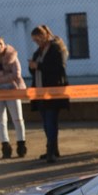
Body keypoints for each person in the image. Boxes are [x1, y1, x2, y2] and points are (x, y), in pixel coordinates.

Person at [28, 24, 69, 163]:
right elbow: (35, 71)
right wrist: (32, 67)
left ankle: (51, 151)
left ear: (45, 35)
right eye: (35, 40)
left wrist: (38, 66)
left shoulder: (56, 48)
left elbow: (59, 68)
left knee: (51, 122)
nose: (37, 42)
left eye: (38, 39)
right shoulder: (39, 51)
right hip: (40, 92)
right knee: (46, 123)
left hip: (53, 92)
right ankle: (53, 149)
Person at [0, 36, 27, 159]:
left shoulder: (12, 56)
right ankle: (5, 146)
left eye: (0, 44)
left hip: (12, 90)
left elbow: (16, 74)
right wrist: (1, 74)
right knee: (1, 120)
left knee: (18, 118)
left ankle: (21, 144)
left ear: (4, 45)